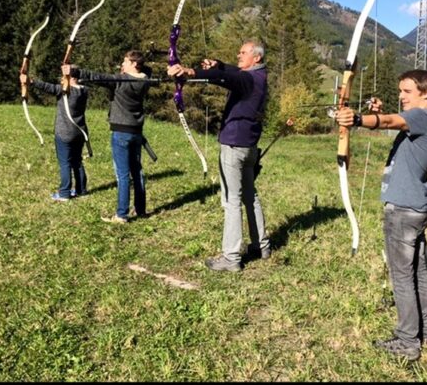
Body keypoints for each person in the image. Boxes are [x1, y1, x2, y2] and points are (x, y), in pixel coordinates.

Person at [335, 69, 427, 361]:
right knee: (418, 272)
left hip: (404, 210)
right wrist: (376, 116)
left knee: (402, 276)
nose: (401, 96)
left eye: (407, 91)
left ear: (426, 92)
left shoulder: (422, 116)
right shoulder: (424, 121)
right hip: (415, 207)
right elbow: (395, 121)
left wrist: (357, 119)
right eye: (400, 91)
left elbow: (393, 121)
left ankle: (408, 341)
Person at [167, 41, 269, 272]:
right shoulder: (259, 75)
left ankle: (231, 258)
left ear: (256, 58)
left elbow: (230, 79)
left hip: (234, 146)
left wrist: (192, 72)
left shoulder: (248, 80)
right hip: (248, 146)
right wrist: (219, 65)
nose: (238, 55)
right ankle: (261, 245)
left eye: (243, 53)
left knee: (232, 201)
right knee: (250, 196)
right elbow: (233, 72)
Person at [63, 50, 151, 223]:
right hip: (136, 132)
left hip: (121, 132)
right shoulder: (146, 79)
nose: (122, 65)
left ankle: (121, 214)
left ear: (134, 64)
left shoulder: (121, 80)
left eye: (125, 61)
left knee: (123, 175)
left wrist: (74, 72)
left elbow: (97, 77)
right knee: (137, 171)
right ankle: (140, 209)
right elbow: (146, 69)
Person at [20, 73, 89, 201]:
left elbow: (46, 87)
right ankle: (81, 190)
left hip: (64, 133)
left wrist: (30, 81)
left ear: (70, 77)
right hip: (80, 132)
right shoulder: (84, 90)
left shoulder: (64, 91)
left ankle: (64, 193)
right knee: (77, 161)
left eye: (64, 76)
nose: (61, 79)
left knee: (65, 163)